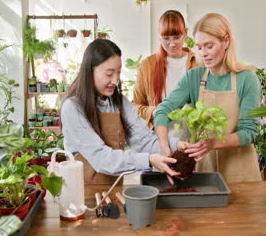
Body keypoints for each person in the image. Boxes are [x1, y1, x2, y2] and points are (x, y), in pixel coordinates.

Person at [154, 13, 262, 183]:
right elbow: (163, 110)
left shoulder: (247, 79)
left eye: (209, 46)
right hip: (205, 169)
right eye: (199, 47)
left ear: (226, 42)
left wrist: (212, 143)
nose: (203, 53)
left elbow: (249, 132)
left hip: (241, 170)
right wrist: (165, 145)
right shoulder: (194, 77)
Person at [61, 39, 183, 184]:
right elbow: (101, 158)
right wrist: (148, 160)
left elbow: (144, 140)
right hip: (81, 193)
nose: (115, 80)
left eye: (118, 72)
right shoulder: (73, 108)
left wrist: (178, 145)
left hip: (113, 189)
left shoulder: (119, 102)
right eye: (109, 74)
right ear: (90, 71)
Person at [132, 10, 198, 135]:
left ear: (186, 33)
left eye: (177, 37)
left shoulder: (198, 64)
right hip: (158, 140)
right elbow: (135, 105)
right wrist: (154, 112)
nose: (172, 44)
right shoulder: (147, 66)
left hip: (192, 141)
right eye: (166, 38)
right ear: (159, 36)